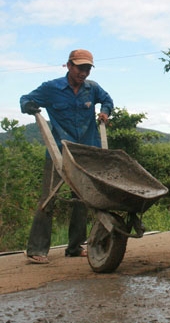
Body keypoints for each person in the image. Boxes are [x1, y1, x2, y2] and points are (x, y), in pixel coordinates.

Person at [20, 49, 114, 264]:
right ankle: (37, 249)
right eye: (80, 67)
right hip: (59, 151)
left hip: (85, 152)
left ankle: (74, 247)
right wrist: (29, 107)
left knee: (81, 199)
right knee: (48, 198)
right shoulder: (51, 88)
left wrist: (105, 112)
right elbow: (25, 98)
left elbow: (107, 100)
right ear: (69, 66)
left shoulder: (92, 89)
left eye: (87, 68)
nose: (84, 72)